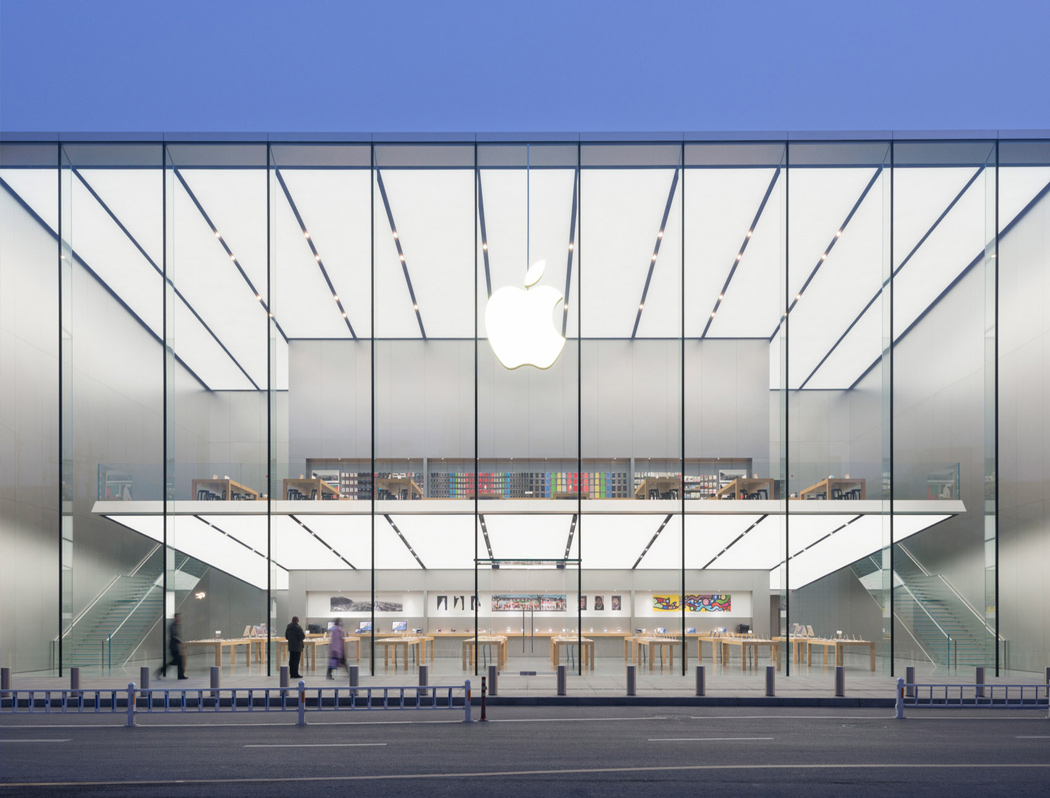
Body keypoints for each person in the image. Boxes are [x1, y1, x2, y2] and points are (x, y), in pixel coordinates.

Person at [168, 613, 187, 679]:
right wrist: (180, 641)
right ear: (175, 618)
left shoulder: (176, 625)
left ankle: (180, 675)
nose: (179, 619)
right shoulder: (172, 625)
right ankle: (180, 675)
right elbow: (173, 636)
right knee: (178, 660)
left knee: (178, 661)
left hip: (175, 646)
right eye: (178, 617)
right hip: (173, 647)